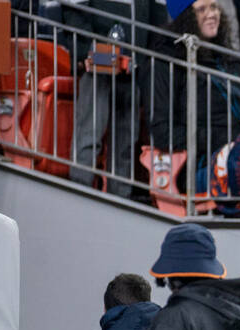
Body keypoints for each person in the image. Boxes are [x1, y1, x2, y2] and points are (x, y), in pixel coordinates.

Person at [62, 0, 169, 197]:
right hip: (96, 67)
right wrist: (87, 50)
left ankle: (120, 198)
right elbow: (74, 12)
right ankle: (77, 194)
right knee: (89, 135)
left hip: (133, 70)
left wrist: (145, 62)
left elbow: (158, 21)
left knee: (126, 143)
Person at [149, 0, 240, 192]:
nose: (212, 14)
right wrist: (221, 138)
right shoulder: (166, 61)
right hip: (200, 164)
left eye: (214, 7)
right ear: (185, 17)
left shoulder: (228, 59)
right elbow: (162, 132)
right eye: (202, 9)